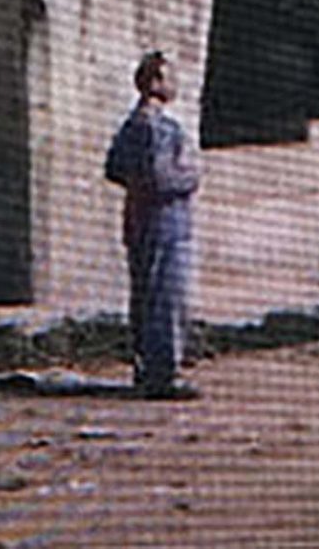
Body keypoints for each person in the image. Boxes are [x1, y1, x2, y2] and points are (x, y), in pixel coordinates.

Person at [105, 50, 200, 400]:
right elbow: (162, 178)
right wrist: (190, 177)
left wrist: (136, 185)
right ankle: (164, 374)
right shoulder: (159, 128)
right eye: (170, 77)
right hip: (166, 221)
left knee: (144, 295)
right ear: (156, 82)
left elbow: (114, 168)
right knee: (166, 297)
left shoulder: (130, 125)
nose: (175, 84)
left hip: (138, 218)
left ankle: (145, 367)